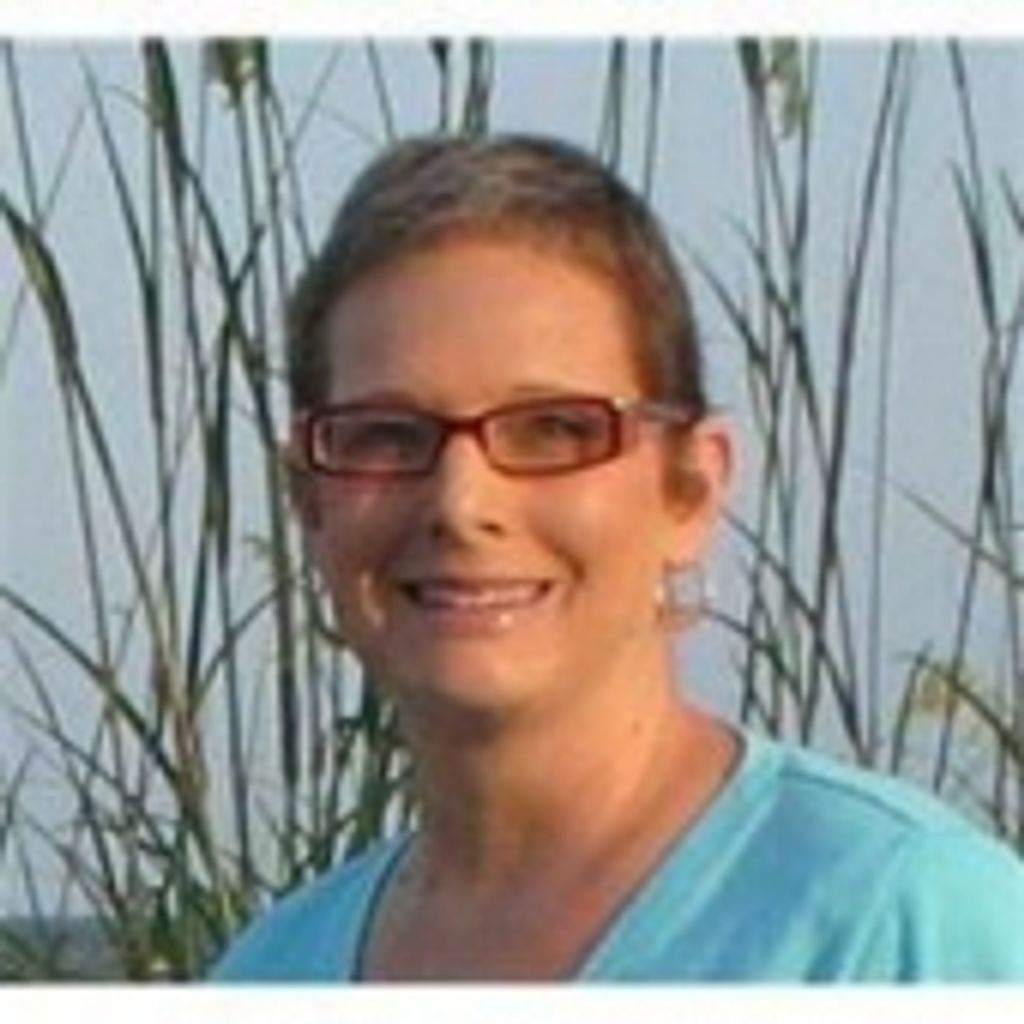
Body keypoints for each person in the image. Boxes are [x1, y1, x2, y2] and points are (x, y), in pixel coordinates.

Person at [211, 133, 1024, 982]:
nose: (460, 503)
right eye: (387, 434)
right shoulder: (271, 968)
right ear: (308, 496)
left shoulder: (900, 919)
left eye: (552, 430)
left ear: (690, 490)